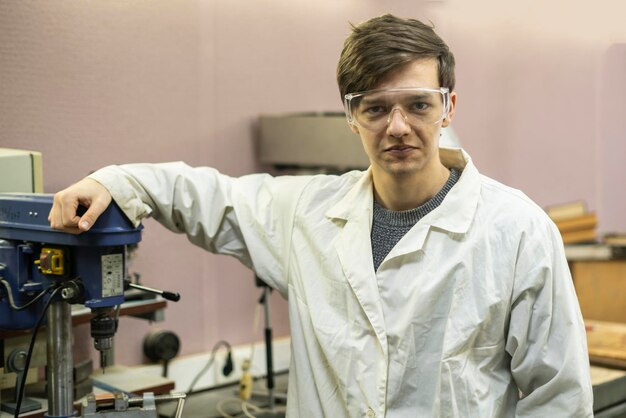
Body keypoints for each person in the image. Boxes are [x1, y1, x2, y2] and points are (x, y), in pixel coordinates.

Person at [49, 14, 593, 417]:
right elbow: (205, 195)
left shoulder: (516, 230)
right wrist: (116, 181)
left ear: (449, 106)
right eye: (376, 108)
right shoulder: (307, 214)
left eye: (419, 105)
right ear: (351, 116)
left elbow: (559, 397)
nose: (398, 126)